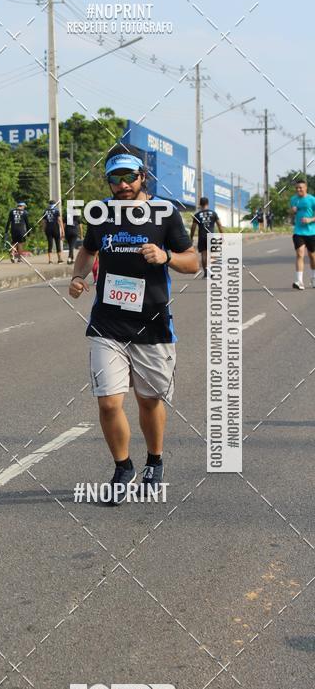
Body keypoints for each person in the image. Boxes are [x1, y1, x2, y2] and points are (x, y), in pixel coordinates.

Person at [69, 145, 198, 505]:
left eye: (130, 177)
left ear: (143, 177)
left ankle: (154, 461)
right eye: (116, 178)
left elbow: (194, 262)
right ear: (108, 181)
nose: (123, 185)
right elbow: (88, 250)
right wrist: (78, 276)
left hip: (152, 323)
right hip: (107, 323)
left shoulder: (165, 214)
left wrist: (167, 256)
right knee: (109, 403)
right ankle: (122, 467)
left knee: (149, 400)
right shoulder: (101, 214)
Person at [290, 179, 315, 289]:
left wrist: (310, 220)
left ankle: (313, 278)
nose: (298, 189)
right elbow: (292, 212)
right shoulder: (293, 199)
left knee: (312, 256)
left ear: (305, 188)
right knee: (300, 254)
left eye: (300, 187)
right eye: (297, 188)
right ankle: (299, 281)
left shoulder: (312, 199)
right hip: (298, 231)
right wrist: (293, 210)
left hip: (311, 232)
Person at [190, 196, 223, 278]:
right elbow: (219, 225)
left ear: (200, 204)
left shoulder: (197, 215)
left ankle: (206, 273)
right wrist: (222, 235)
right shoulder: (213, 213)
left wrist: (191, 237)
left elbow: (193, 227)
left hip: (202, 236)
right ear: (208, 203)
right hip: (211, 236)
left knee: (204, 255)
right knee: (212, 255)